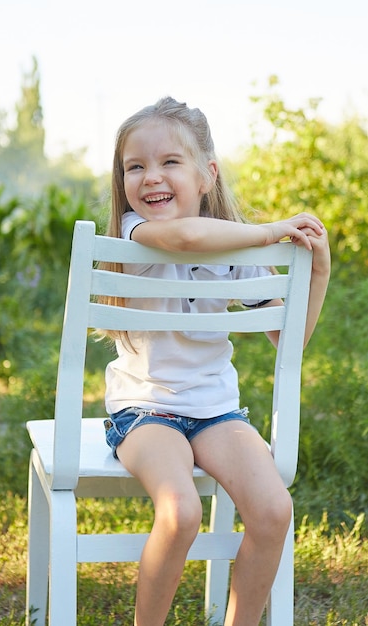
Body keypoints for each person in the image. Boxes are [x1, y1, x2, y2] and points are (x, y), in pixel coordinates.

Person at [100, 97, 330, 626]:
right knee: (180, 513)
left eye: (169, 162)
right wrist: (271, 233)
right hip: (146, 412)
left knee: (273, 512)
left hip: (216, 412)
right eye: (135, 166)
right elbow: (186, 237)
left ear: (207, 175)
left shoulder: (233, 255)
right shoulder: (137, 231)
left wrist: (315, 276)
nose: (150, 176)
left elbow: (287, 341)